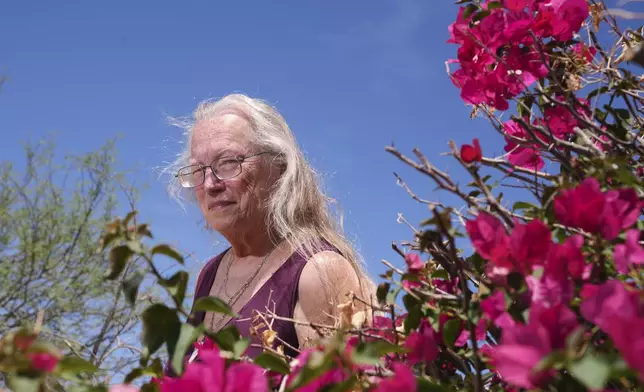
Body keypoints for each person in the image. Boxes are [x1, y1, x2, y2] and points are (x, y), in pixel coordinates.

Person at [164, 94, 373, 371]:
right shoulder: (211, 274)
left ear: (279, 167)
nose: (210, 184)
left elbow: (340, 385)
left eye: (228, 163)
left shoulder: (319, 272)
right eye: (197, 170)